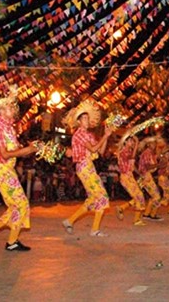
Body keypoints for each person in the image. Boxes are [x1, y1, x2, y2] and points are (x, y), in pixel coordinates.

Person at [0, 89, 38, 252]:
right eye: (9, 107)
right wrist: (26, 150)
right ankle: (6, 239)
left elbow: (16, 152)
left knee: (16, 207)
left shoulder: (10, 130)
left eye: (12, 107)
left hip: (8, 170)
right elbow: (4, 154)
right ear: (1, 112)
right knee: (22, 204)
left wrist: (31, 149)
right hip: (1, 170)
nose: (13, 109)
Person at [62, 101, 112, 237]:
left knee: (92, 200)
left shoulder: (88, 134)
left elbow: (100, 151)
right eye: (84, 118)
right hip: (84, 167)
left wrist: (106, 136)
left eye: (87, 118)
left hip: (88, 166)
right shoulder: (79, 134)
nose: (87, 120)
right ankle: (94, 229)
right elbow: (93, 148)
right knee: (102, 197)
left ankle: (69, 221)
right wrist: (105, 137)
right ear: (78, 121)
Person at [114, 134, 146, 227]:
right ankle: (136, 220)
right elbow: (131, 157)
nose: (132, 143)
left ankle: (122, 208)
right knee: (139, 196)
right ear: (125, 142)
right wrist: (136, 144)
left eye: (132, 141)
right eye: (131, 141)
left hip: (129, 176)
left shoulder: (127, 151)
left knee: (137, 196)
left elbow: (131, 164)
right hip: (126, 177)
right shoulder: (123, 151)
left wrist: (139, 174)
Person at [136, 137, 163, 221]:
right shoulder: (147, 153)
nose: (155, 145)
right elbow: (147, 166)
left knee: (153, 196)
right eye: (153, 143)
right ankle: (152, 214)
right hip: (146, 176)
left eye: (155, 143)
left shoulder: (150, 153)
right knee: (157, 196)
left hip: (146, 176)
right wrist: (157, 165)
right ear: (148, 144)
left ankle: (147, 213)